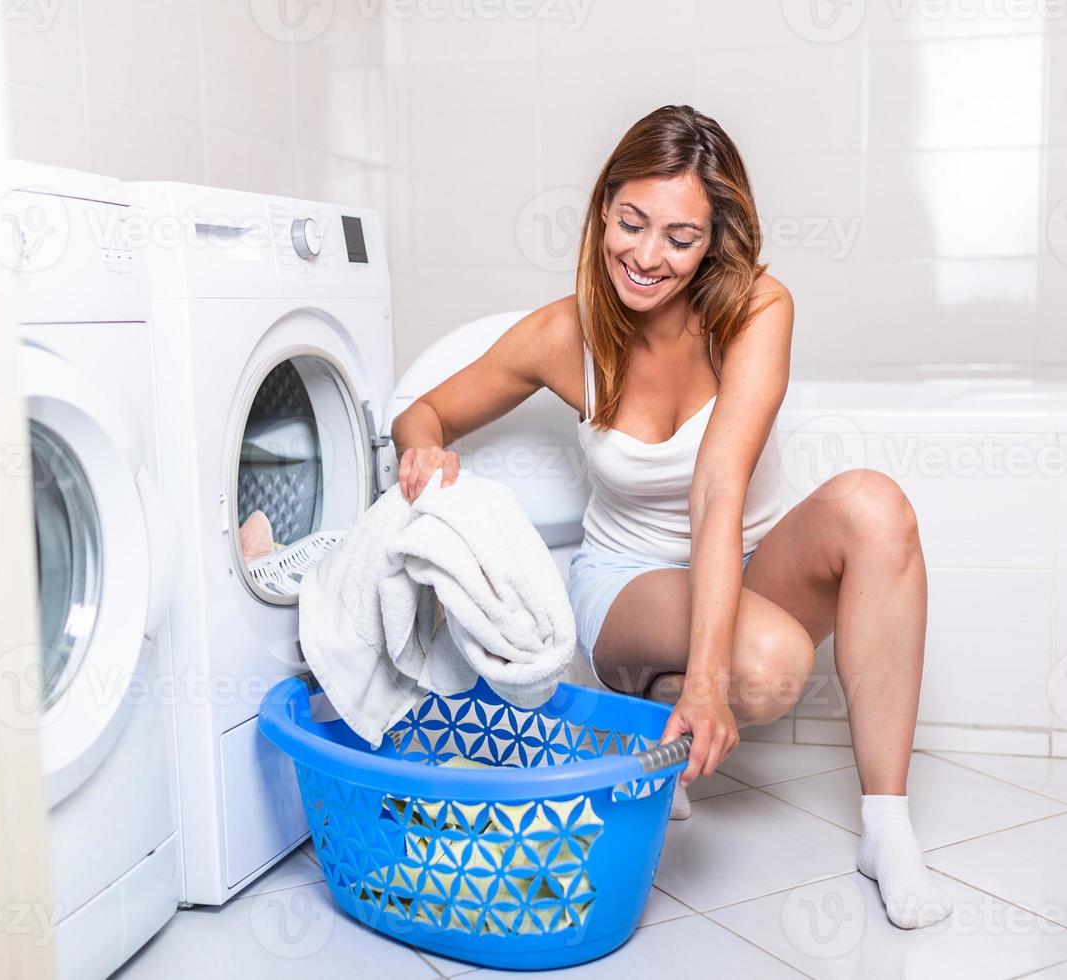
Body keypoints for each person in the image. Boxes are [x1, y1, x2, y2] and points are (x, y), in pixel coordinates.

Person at [390, 105, 951, 929]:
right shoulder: (565, 332)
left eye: (681, 238)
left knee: (878, 506)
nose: (647, 258)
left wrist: (706, 684)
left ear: (716, 239)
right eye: (631, 223)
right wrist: (425, 449)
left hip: (746, 559)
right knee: (770, 665)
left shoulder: (757, 309)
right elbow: (423, 410)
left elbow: (719, 492)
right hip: (627, 587)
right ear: (603, 208)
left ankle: (885, 825)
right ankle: (659, 711)